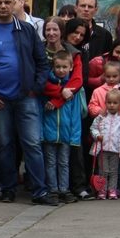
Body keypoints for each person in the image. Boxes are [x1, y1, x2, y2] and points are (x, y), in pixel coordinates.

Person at [0, 0, 56, 205]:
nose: (4, 6)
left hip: (26, 97)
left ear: (17, 3)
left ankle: (40, 192)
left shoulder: (26, 30)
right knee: (5, 145)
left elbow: (42, 62)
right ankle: (7, 189)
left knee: (33, 144)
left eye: (8, 2)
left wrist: (36, 86)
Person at [42, 50, 84, 203]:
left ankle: (64, 189)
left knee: (64, 163)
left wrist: (75, 137)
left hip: (66, 134)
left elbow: (76, 115)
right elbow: (41, 112)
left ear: (71, 67)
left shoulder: (73, 89)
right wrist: (41, 133)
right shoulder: (48, 86)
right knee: (51, 162)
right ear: (53, 67)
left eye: (64, 67)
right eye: (58, 67)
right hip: (49, 132)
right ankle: (53, 189)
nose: (61, 70)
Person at [90, 89, 120, 199]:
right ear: (105, 102)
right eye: (109, 102)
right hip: (102, 149)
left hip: (116, 149)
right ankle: (102, 190)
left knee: (114, 171)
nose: (112, 105)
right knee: (103, 170)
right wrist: (97, 135)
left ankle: (112, 190)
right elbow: (93, 128)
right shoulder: (101, 117)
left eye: (115, 103)